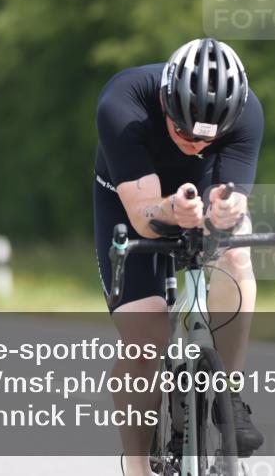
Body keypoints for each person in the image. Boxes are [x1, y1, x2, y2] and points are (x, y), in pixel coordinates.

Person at [93, 37, 264, 476]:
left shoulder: (247, 113)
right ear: (165, 104)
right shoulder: (122, 103)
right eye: (184, 133)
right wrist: (171, 209)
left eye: (209, 138)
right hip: (129, 199)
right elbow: (143, 217)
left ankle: (229, 395)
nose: (195, 145)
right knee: (146, 333)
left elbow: (231, 198)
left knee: (236, 252)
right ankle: (136, 466)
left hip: (201, 188)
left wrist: (227, 211)